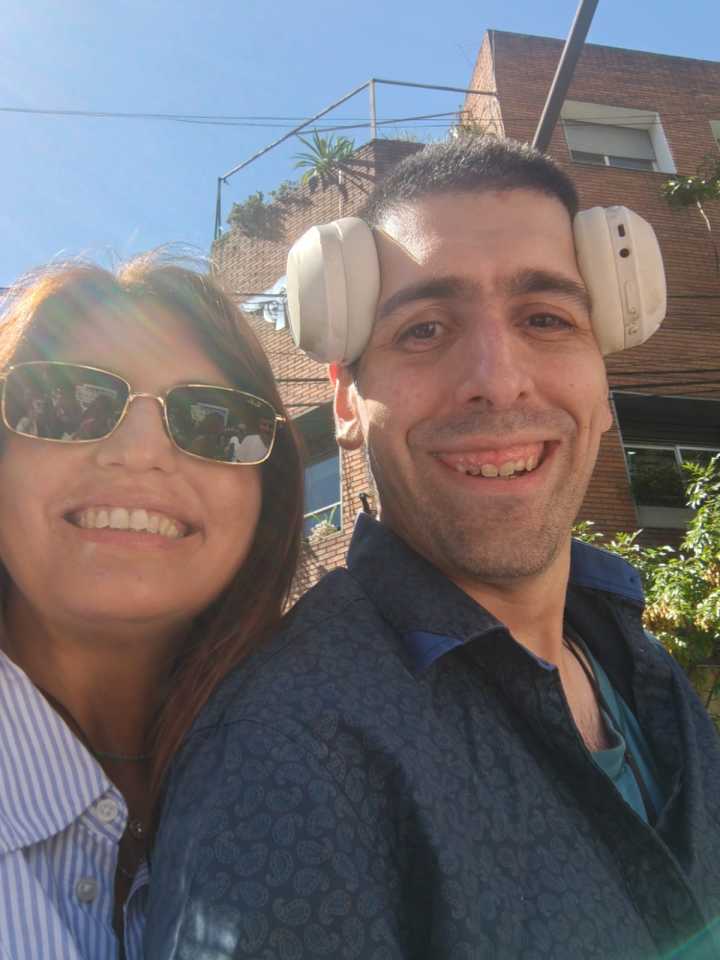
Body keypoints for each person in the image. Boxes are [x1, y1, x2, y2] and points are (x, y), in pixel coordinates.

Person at [145, 140, 720, 958]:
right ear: (346, 402)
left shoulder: (639, 661)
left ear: (602, 381)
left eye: (546, 319)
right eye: (424, 329)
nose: (498, 378)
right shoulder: (290, 750)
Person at [0, 252, 303, 960]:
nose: (141, 452)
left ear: (267, 498)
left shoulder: (323, 767)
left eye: (214, 420)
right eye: (66, 402)